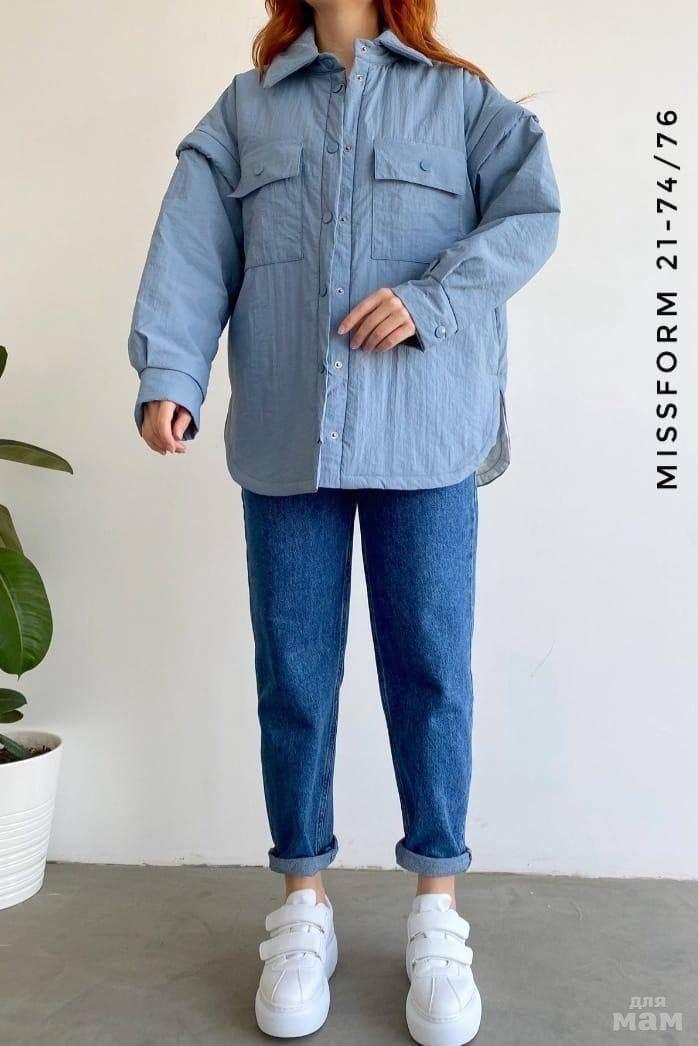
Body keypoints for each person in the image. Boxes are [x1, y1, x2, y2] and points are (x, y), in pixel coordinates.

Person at [128, 0, 559, 1041]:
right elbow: (192, 246)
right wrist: (171, 373)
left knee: (430, 670)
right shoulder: (246, 109)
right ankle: (302, 904)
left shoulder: (461, 101)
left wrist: (432, 298)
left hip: (426, 437)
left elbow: (532, 213)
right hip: (289, 434)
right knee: (293, 674)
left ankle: (436, 910)